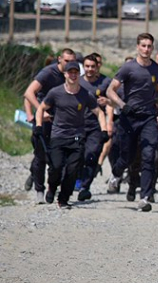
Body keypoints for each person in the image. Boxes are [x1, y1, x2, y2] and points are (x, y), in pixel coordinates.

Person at [34, 61, 109, 208]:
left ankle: (63, 198)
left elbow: (99, 112)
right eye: (70, 72)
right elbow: (41, 108)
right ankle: (52, 188)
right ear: (65, 74)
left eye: (76, 73)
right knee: (55, 167)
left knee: (72, 169)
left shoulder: (85, 94)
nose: (73, 75)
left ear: (78, 75)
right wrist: (38, 125)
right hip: (58, 136)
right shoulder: (55, 93)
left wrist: (104, 130)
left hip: (77, 137)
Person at [106, 33, 158, 212]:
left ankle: (145, 197)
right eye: (143, 46)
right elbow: (110, 90)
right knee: (127, 157)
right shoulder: (128, 68)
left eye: (149, 46)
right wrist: (123, 106)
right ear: (138, 47)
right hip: (129, 117)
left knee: (149, 155)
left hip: (148, 117)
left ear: (152, 48)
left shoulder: (157, 69)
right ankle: (116, 175)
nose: (146, 49)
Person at [23, 48, 77, 203]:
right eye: (66, 61)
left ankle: (51, 187)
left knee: (60, 157)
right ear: (60, 59)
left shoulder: (73, 74)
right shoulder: (48, 73)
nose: (69, 64)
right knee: (41, 155)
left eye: (72, 62)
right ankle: (39, 190)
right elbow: (28, 93)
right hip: (43, 119)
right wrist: (38, 112)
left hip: (61, 122)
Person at [77, 54, 112, 201]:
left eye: (93, 66)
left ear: (98, 66)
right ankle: (76, 179)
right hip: (77, 125)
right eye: (87, 66)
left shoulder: (106, 82)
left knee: (91, 155)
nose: (90, 69)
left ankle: (85, 186)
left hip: (96, 125)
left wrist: (108, 101)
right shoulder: (77, 82)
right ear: (83, 67)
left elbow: (113, 102)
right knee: (77, 155)